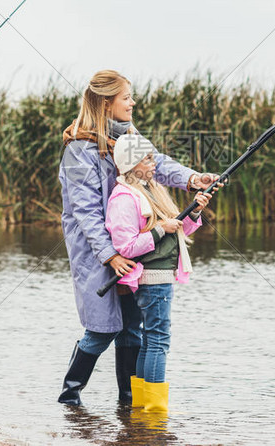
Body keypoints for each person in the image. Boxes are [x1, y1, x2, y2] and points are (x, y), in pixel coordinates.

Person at [57, 69, 220, 406]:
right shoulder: (78, 150)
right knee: (103, 328)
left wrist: (193, 179)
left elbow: (154, 163)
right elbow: (85, 213)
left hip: (133, 241)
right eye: (126, 98)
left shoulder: (127, 133)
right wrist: (110, 256)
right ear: (106, 104)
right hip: (97, 249)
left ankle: (127, 403)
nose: (133, 103)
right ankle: (70, 396)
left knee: (132, 327)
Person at [106, 134, 212, 413]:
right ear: (131, 165)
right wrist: (159, 229)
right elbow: (125, 247)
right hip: (152, 279)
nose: (154, 164)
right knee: (158, 340)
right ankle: (153, 413)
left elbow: (179, 232)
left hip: (161, 277)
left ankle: (141, 409)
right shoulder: (124, 198)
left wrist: (195, 212)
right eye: (147, 159)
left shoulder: (150, 190)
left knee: (150, 340)